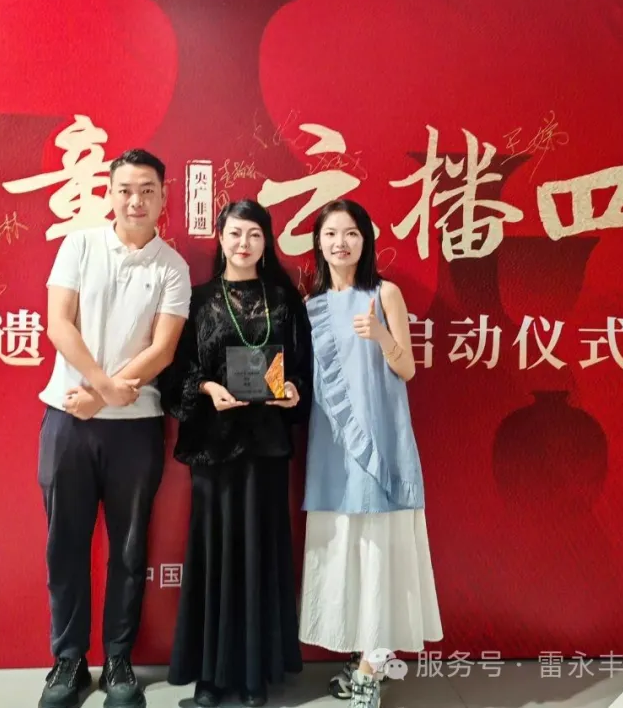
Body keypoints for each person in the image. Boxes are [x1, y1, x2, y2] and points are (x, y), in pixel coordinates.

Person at [36, 148, 191, 708]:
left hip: (135, 427)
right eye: (125, 189)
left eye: (147, 190)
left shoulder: (173, 267)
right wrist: (101, 387)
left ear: (164, 197)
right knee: (66, 544)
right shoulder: (79, 245)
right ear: (109, 193)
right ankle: (69, 661)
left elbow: (163, 349)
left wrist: (100, 396)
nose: (135, 200)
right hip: (68, 419)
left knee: (129, 548)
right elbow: (59, 324)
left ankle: (119, 659)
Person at [161, 199, 312, 708]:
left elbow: (303, 368)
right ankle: (210, 677)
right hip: (215, 446)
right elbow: (177, 371)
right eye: (234, 234)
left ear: (266, 242)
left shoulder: (284, 300)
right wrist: (207, 389)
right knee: (214, 558)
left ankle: (253, 676)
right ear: (220, 240)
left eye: (253, 234)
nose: (243, 244)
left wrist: (292, 390)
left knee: (259, 557)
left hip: (266, 447)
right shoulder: (199, 299)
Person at [298, 199, 443, 708]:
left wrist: (380, 333)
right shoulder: (311, 305)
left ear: (366, 241)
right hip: (331, 447)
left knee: (380, 549)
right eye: (331, 234)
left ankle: (370, 668)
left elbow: (407, 369)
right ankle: (364, 655)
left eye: (351, 233)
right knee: (344, 548)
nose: (341, 243)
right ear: (318, 243)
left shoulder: (385, 293)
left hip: (381, 439)